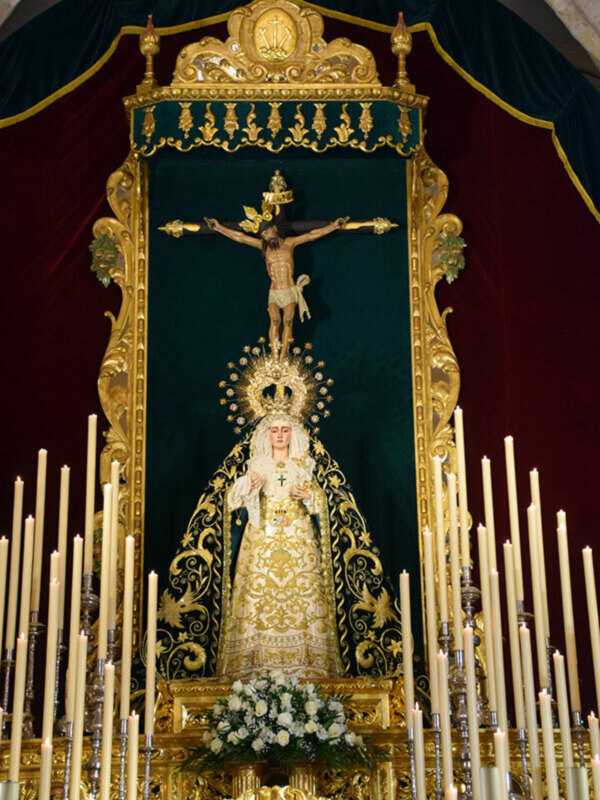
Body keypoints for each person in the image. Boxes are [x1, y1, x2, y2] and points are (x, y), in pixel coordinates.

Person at [218, 414, 342, 679]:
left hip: (298, 537)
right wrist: (247, 486)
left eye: (285, 430)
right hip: (262, 536)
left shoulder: (304, 464)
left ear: (292, 434)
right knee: (257, 594)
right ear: (267, 435)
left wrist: (310, 496)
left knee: (304, 594)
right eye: (274, 430)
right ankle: (253, 666)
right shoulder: (258, 463)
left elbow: (322, 503)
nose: (280, 435)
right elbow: (233, 501)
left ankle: (309, 665)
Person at [205, 216, 347, 357]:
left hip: (289, 290)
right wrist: (218, 228)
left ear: (275, 228)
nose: (267, 237)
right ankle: (274, 356)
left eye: (267, 232)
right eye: (264, 235)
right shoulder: (264, 248)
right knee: (274, 320)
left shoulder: (290, 243)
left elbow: (311, 235)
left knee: (288, 321)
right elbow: (240, 237)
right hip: (274, 291)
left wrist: (334, 226)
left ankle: (283, 356)